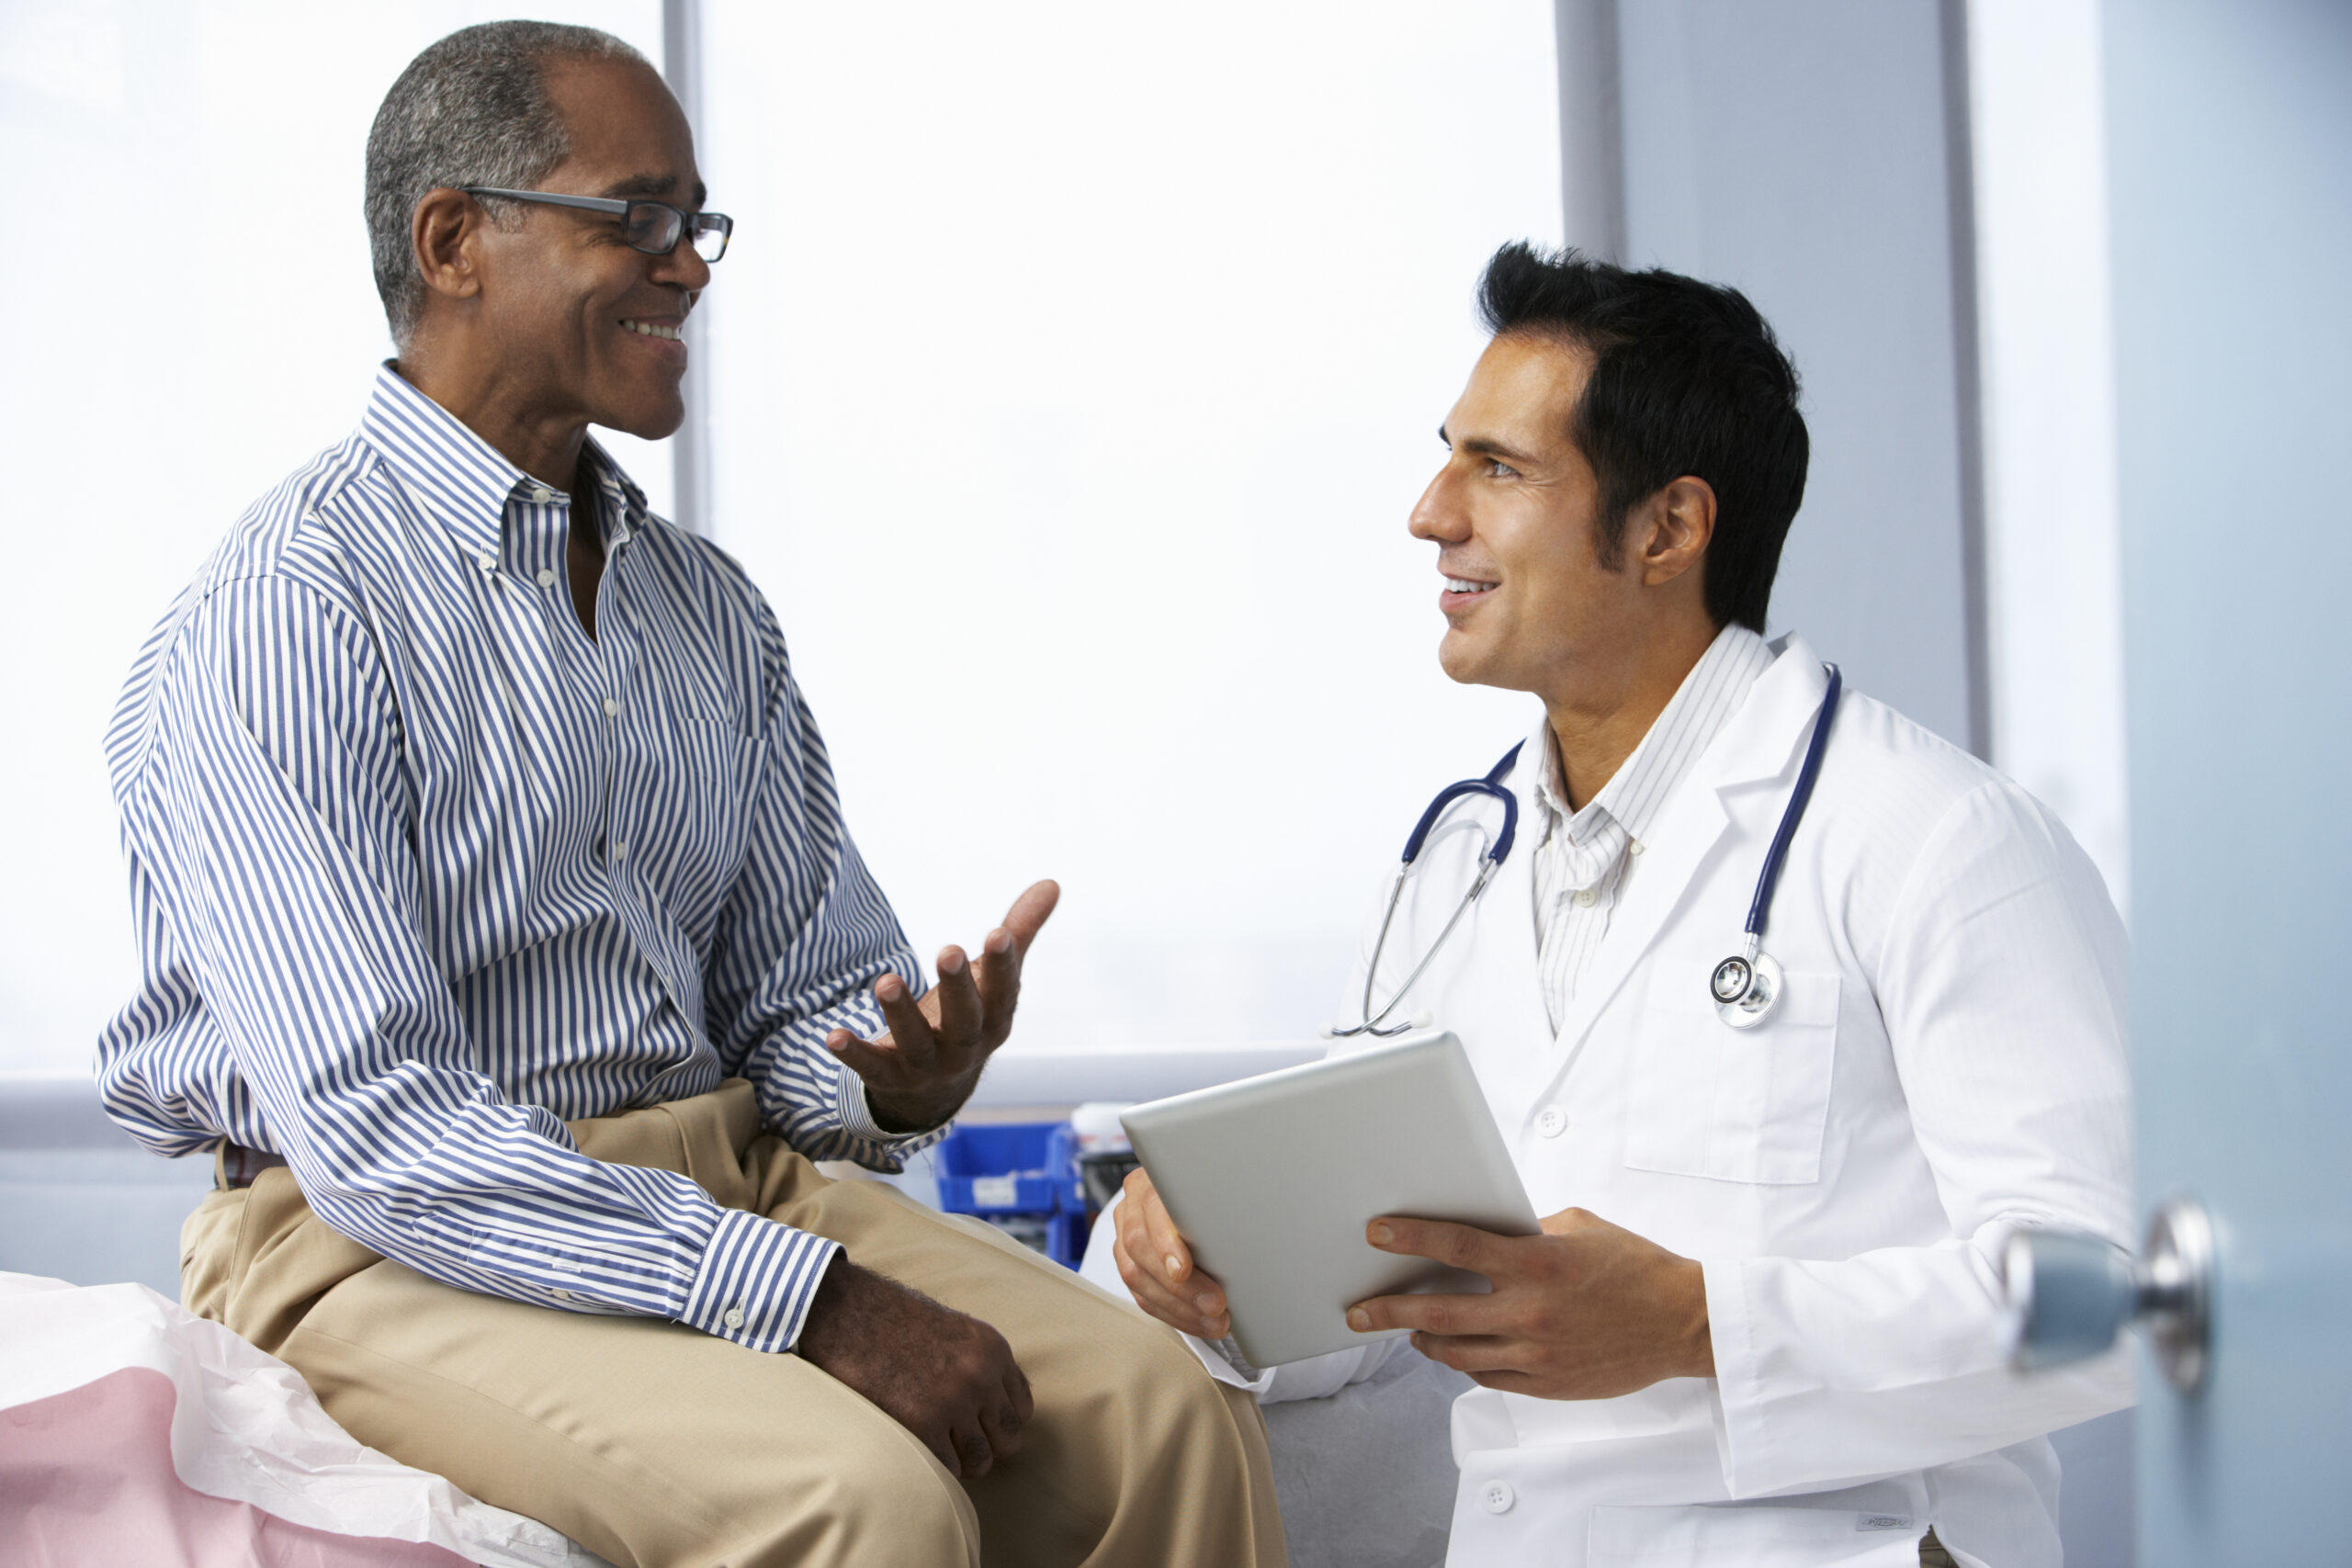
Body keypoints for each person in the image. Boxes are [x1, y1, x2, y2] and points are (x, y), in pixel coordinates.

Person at [94, 21, 1282, 1568]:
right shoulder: (285, 612)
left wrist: (886, 1079)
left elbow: (793, 1002)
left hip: (728, 1178)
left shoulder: (706, 610)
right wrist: (813, 1299)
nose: (692, 268)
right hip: (378, 1240)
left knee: (1168, 1410)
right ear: (453, 238)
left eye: (696, 225)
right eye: (638, 219)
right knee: (865, 1500)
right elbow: (385, 1134)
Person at [1102, 243, 2133, 1567]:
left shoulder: (1937, 840)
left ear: (1666, 529)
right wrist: (1212, 1267)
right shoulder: (1453, 868)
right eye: (1448, 457)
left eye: (1499, 468)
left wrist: (1701, 1322)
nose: (1431, 513)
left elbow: (2109, 1300)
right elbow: (1380, 1288)